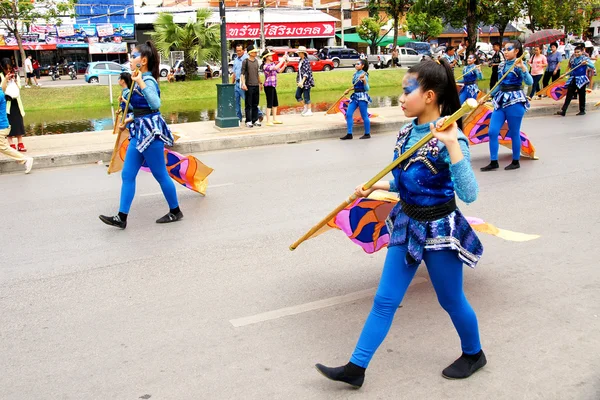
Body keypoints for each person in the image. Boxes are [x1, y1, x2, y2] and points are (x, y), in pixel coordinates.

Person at [315, 58, 486, 387]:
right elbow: (405, 180)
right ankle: (357, 367)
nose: (401, 97)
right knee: (385, 299)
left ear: (430, 96)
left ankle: (474, 353)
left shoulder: (452, 138)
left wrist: (452, 143)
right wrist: (375, 186)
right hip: (407, 224)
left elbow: (470, 192)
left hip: (439, 230)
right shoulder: (408, 132)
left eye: (408, 90)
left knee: (451, 300)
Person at [99, 41, 182, 229]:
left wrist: (140, 82)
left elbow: (155, 104)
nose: (130, 59)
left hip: (151, 135)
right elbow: (137, 109)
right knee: (128, 175)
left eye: (133, 56)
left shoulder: (148, 80)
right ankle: (122, 217)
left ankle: (175, 211)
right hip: (138, 133)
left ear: (143, 61)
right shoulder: (137, 79)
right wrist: (127, 121)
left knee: (160, 174)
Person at [481, 40, 533, 172]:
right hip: (501, 100)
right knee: (492, 131)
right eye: (504, 49)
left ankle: (516, 161)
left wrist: (523, 68)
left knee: (514, 132)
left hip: (515, 100)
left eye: (508, 49)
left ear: (516, 51)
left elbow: (529, 81)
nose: (505, 52)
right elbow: (499, 84)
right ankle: (494, 161)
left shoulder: (520, 64)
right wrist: (487, 96)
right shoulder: (502, 65)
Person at [0, 66, 33, 173]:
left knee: (4, 147)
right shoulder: (1, 90)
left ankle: (25, 160)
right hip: (3, 125)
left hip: (1, 126)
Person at [555, 45, 595, 117]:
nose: (577, 53)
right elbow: (572, 70)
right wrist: (565, 74)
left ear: (582, 52)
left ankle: (582, 110)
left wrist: (586, 63)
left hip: (581, 79)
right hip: (573, 78)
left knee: (582, 95)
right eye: (575, 52)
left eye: (578, 52)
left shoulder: (585, 59)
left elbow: (592, 66)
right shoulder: (573, 59)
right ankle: (563, 110)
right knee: (569, 95)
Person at [340, 59, 371, 140]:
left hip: (362, 97)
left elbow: (367, 88)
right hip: (355, 96)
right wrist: (349, 90)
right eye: (355, 64)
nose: (356, 65)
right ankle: (349, 134)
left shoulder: (364, 75)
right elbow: (356, 86)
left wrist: (364, 81)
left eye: (358, 64)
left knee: (364, 116)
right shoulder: (355, 74)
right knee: (348, 114)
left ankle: (367, 133)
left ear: (362, 66)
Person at [1, 58, 28, 152]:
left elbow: (19, 87)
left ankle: (20, 143)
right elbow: (1, 89)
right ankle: (11, 144)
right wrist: (6, 80)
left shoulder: (15, 75)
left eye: (9, 68)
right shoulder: (0, 76)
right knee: (8, 123)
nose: (8, 70)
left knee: (18, 122)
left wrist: (15, 80)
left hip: (16, 102)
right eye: (6, 68)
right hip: (6, 103)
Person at [261, 49, 287, 126]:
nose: (271, 56)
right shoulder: (265, 66)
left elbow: (279, 70)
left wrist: (284, 65)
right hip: (268, 86)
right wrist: (282, 60)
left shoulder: (272, 64)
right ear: (266, 57)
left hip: (273, 86)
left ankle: (274, 119)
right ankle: (268, 120)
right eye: (270, 55)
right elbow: (275, 68)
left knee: (275, 103)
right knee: (269, 103)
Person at [240, 45, 262, 128]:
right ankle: (248, 121)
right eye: (254, 51)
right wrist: (243, 83)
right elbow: (242, 74)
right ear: (250, 53)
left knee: (255, 104)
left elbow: (257, 73)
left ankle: (255, 119)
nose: (255, 53)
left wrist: (260, 83)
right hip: (248, 85)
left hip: (256, 85)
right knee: (248, 104)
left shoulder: (256, 61)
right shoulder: (245, 61)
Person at [295, 46, 315, 116]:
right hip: (301, 81)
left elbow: (306, 73)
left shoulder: (306, 61)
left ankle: (309, 111)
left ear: (302, 53)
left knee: (307, 96)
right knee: (297, 95)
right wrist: (298, 81)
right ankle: (305, 107)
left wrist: (302, 82)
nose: (298, 54)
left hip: (306, 82)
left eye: (299, 53)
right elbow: (299, 72)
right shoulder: (300, 60)